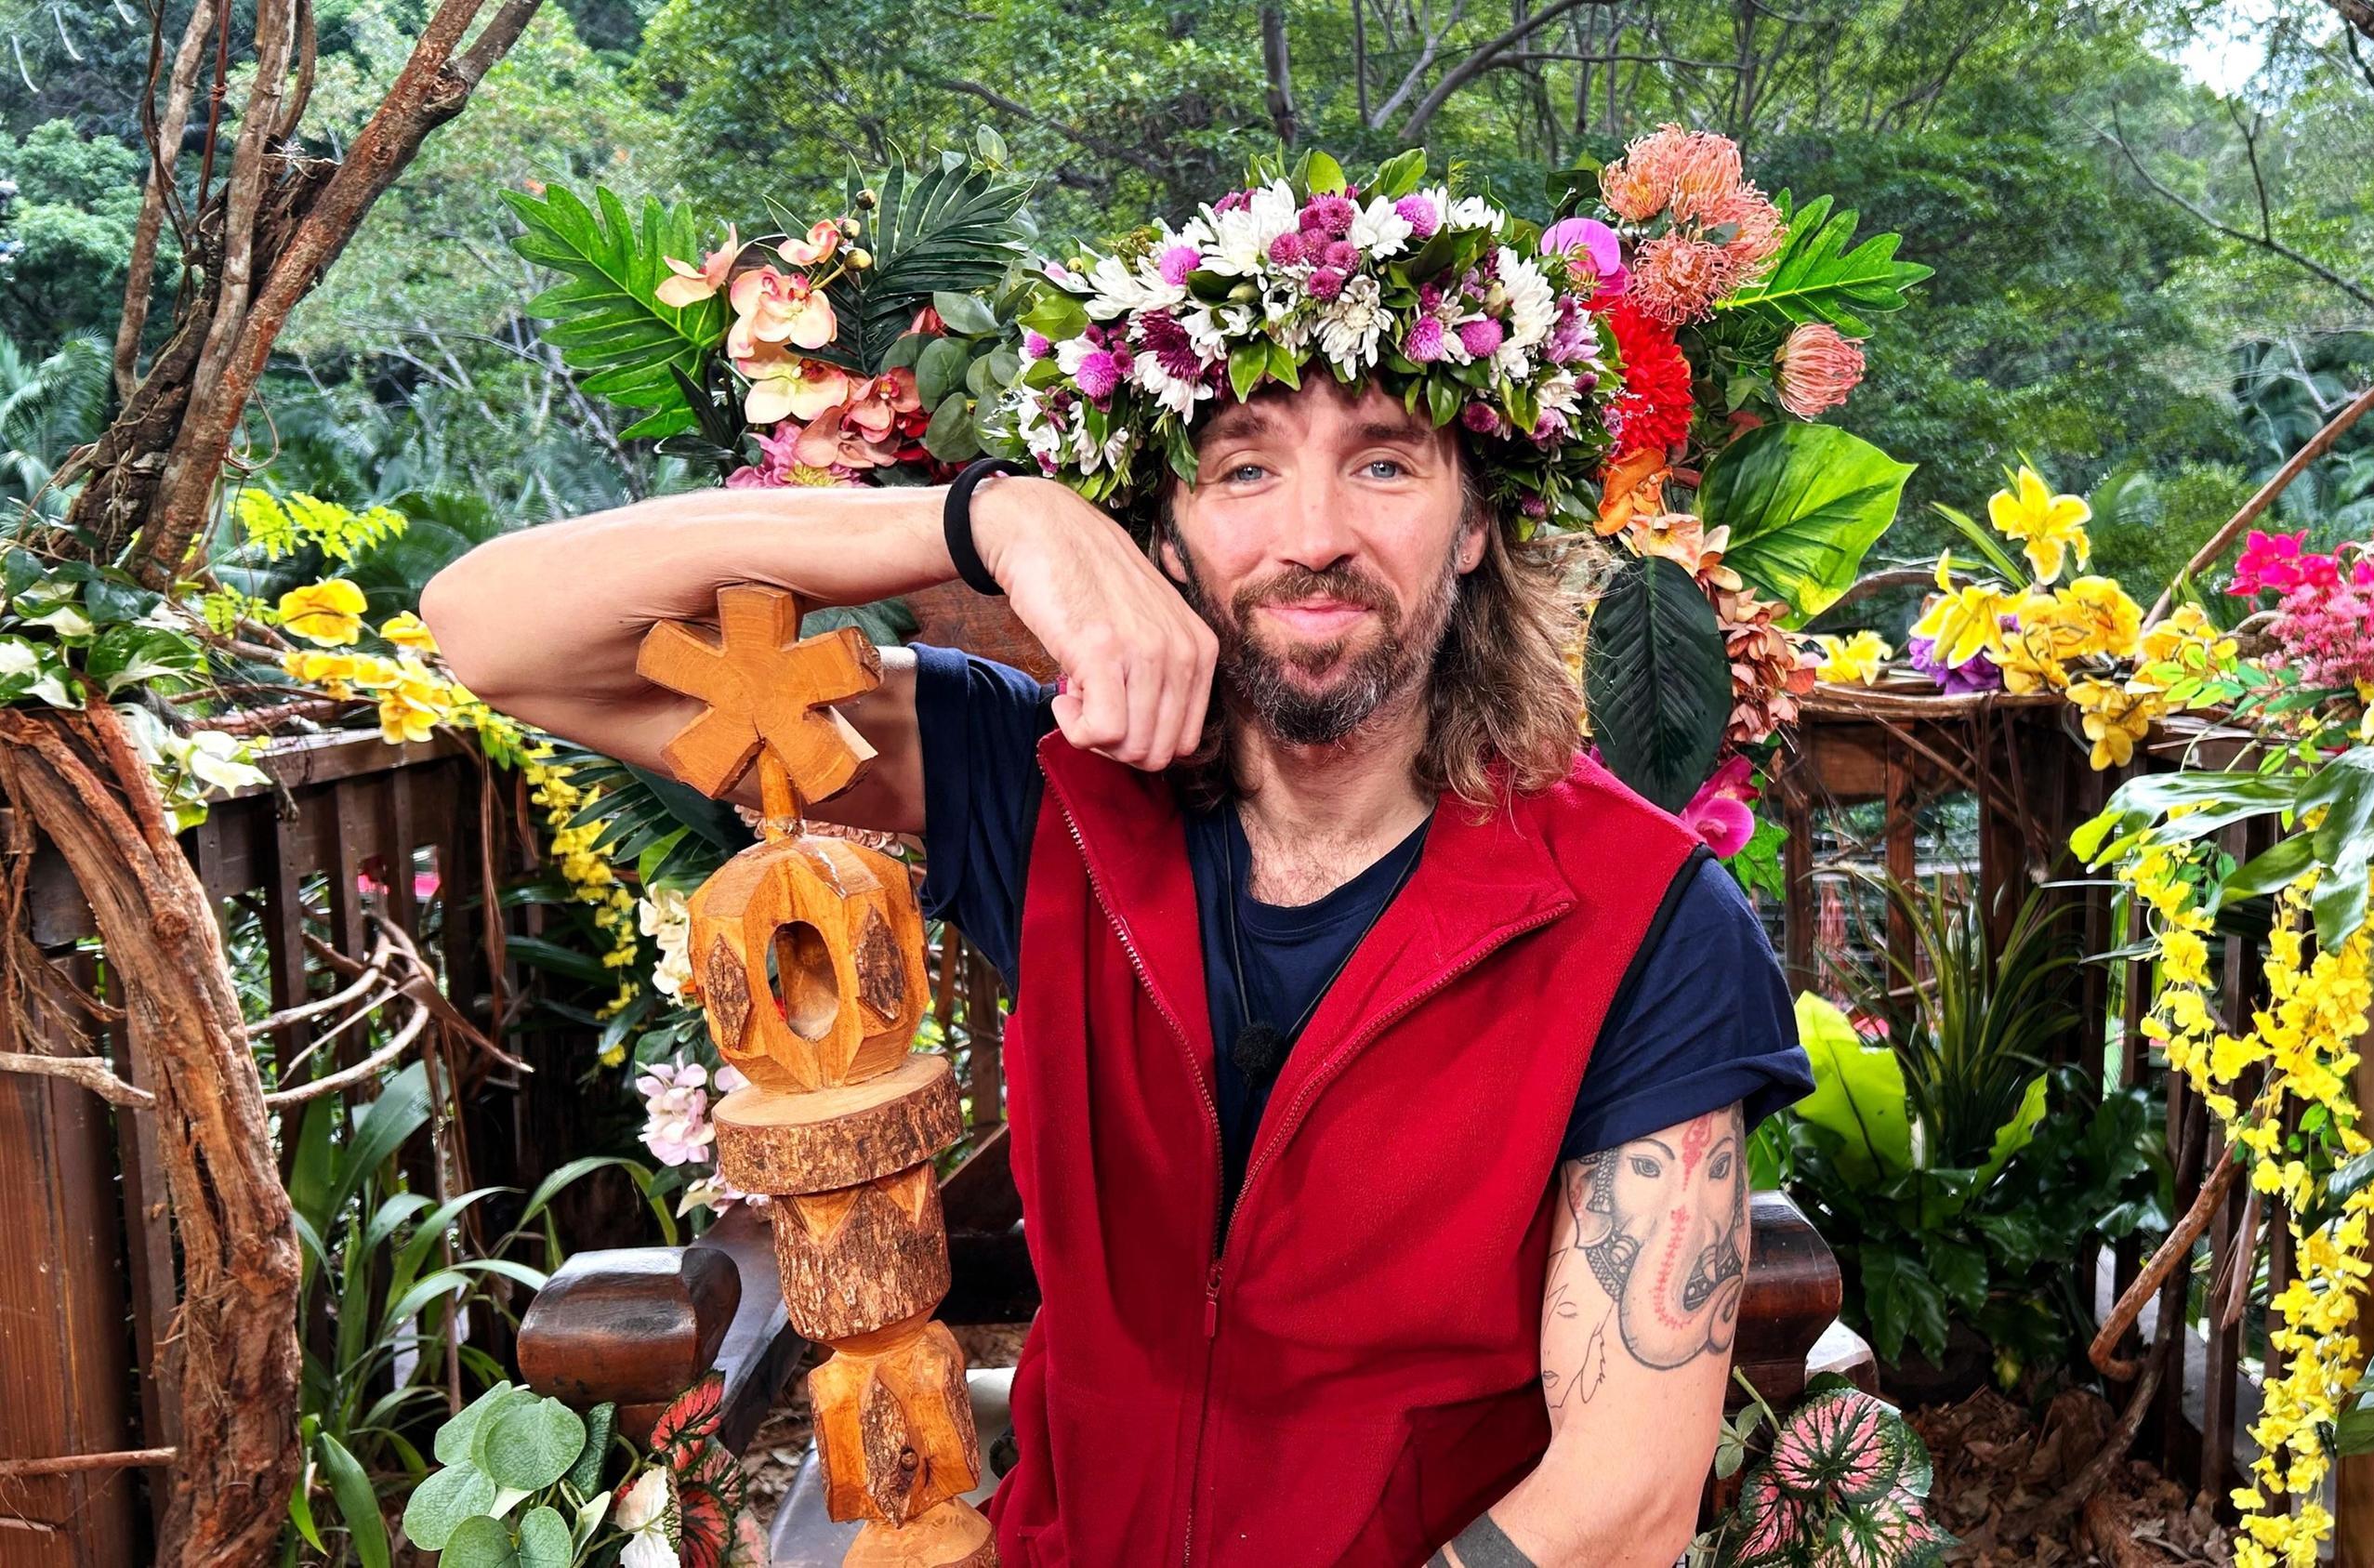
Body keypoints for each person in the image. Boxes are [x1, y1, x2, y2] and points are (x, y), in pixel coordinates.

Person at [421, 169, 1809, 1568]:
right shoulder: (1037, 791)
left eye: (1385, 463)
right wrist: (993, 522)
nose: (1313, 536)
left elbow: (1622, 1502)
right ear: (1161, 539)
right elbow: (494, 631)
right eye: (1243, 468)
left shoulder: (1641, 919)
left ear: (1474, 522)